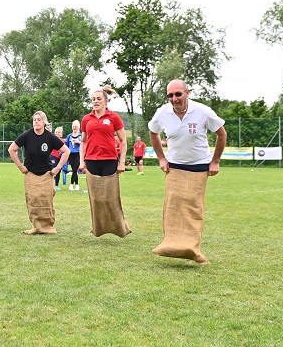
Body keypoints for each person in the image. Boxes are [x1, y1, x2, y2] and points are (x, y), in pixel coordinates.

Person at [149, 79, 226, 263]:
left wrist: (215, 161)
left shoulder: (203, 111)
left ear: (187, 93)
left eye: (178, 94)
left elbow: (221, 134)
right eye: (170, 95)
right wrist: (161, 158)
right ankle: (170, 245)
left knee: (193, 208)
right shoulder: (162, 113)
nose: (174, 99)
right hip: (175, 166)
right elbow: (153, 132)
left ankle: (192, 249)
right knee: (173, 207)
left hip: (199, 166)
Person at [79, 85, 131, 238]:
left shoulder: (113, 117)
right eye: (93, 99)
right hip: (91, 161)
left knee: (110, 198)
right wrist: (82, 161)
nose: (95, 102)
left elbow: (123, 140)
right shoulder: (86, 119)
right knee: (96, 199)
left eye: (99, 99)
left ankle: (119, 228)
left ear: (106, 101)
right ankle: (98, 228)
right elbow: (83, 142)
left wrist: (121, 162)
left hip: (109, 161)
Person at [9, 111, 70, 234]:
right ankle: (36, 226)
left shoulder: (50, 136)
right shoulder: (27, 135)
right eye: (34, 120)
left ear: (44, 122)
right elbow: (12, 149)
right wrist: (21, 167)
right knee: (33, 199)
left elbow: (66, 151)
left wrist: (57, 168)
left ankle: (48, 227)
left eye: (38, 119)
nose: (36, 122)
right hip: (30, 173)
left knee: (46, 200)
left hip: (47, 174)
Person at [65, 120, 82, 191]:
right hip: (71, 154)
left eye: (76, 127)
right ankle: (76, 185)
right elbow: (66, 145)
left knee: (75, 169)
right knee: (74, 169)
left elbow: (84, 144)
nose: (74, 128)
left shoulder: (81, 136)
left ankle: (72, 184)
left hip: (78, 153)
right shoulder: (69, 136)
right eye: (73, 127)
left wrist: (78, 142)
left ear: (78, 127)